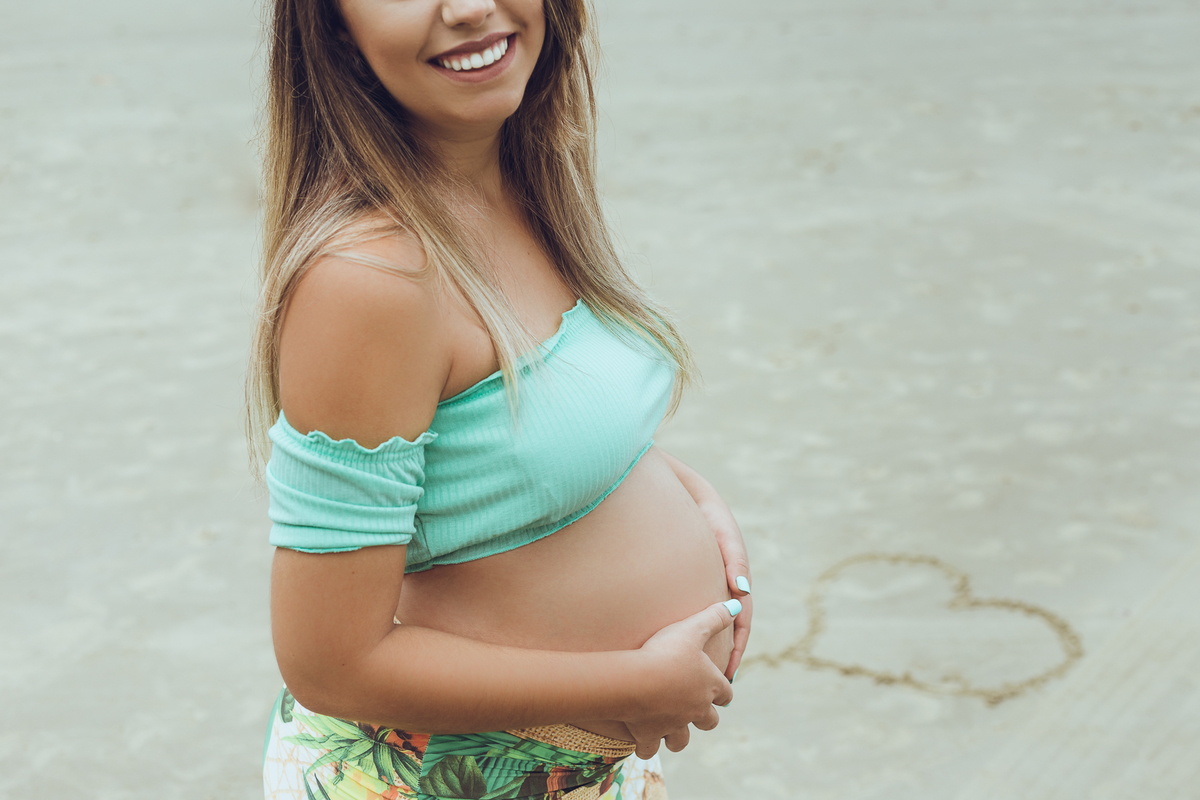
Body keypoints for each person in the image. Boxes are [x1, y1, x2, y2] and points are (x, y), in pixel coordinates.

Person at [248, 0, 753, 797]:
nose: (471, 8)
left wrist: (690, 495)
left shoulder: (518, 177)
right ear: (333, 25)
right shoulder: (370, 279)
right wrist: (634, 682)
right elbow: (331, 664)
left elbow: (523, 437)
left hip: (581, 771)